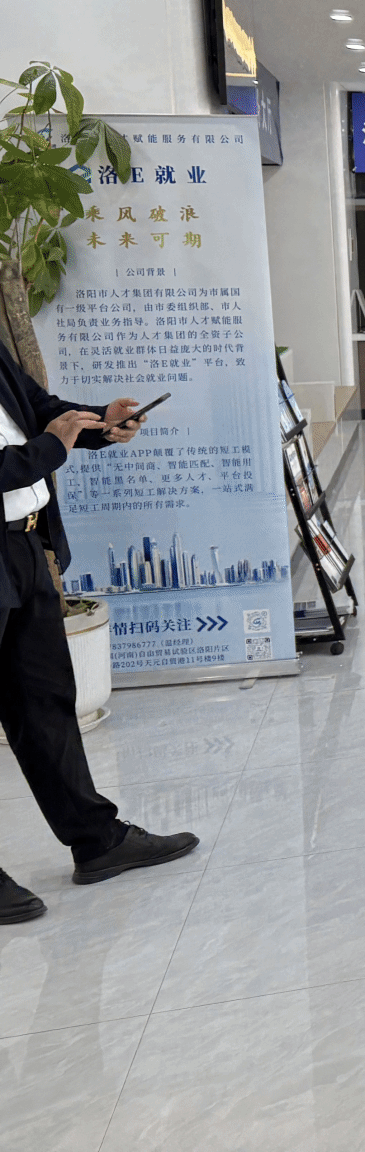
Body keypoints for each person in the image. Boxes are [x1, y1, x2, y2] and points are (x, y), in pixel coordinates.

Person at [0, 363, 198, 922]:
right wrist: (47, 450)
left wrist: (99, 424)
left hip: (20, 547)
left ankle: (97, 839)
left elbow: (39, 408)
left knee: (44, 700)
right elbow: (38, 444)